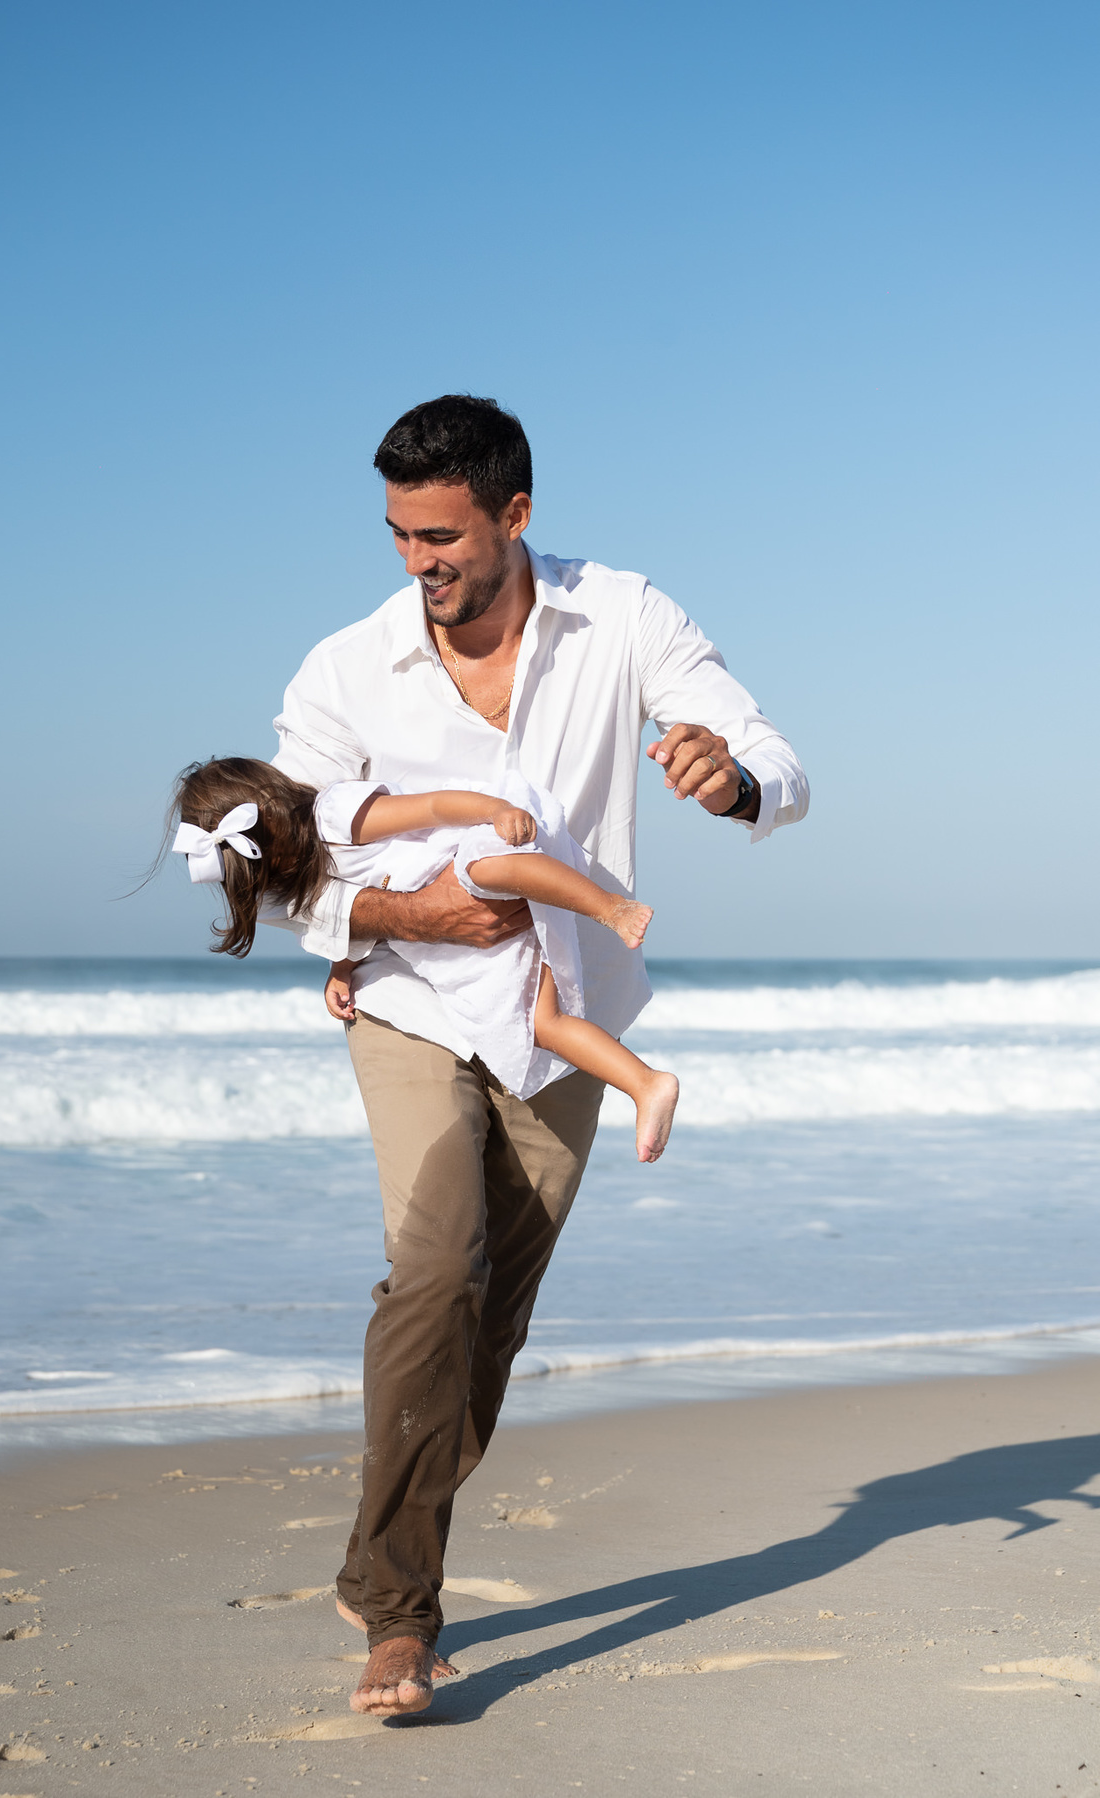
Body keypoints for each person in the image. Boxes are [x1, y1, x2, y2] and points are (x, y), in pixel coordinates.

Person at [269, 394, 809, 1717]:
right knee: (434, 1266)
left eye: (444, 535)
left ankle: (374, 1555)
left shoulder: (621, 616)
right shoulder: (345, 668)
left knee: (489, 1325)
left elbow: (776, 758)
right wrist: (400, 915)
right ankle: (401, 1618)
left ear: (515, 515)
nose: (420, 564)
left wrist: (724, 774)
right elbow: (279, 867)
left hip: (566, 1017)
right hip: (412, 999)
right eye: (400, 536)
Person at [169, 759, 679, 1160]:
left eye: (264, 854)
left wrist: (495, 810)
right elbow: (351, 915)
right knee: (543, 1025)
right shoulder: (304, 877)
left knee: (483, 867)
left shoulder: (334, 815)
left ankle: (610, 908)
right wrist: (340, 968)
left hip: (486, 843)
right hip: (491, 919)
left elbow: (433, 808)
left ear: (273, 810)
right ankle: (646, 1084)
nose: (273, 870)